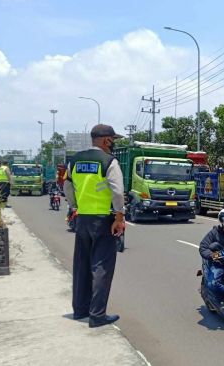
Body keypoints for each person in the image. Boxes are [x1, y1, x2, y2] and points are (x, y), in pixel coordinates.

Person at [64, 124, 125, 328]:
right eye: (113, 140)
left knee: (81, 265)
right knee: (101, 267)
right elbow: (117, 192)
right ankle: (97, 315)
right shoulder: (109, 161)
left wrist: (75, 206)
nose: (113, 144)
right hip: (103, 220)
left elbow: (67, 186)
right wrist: (120, 217)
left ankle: (80, 310)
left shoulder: (75, 160)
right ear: (106, 140)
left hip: (82, 219)